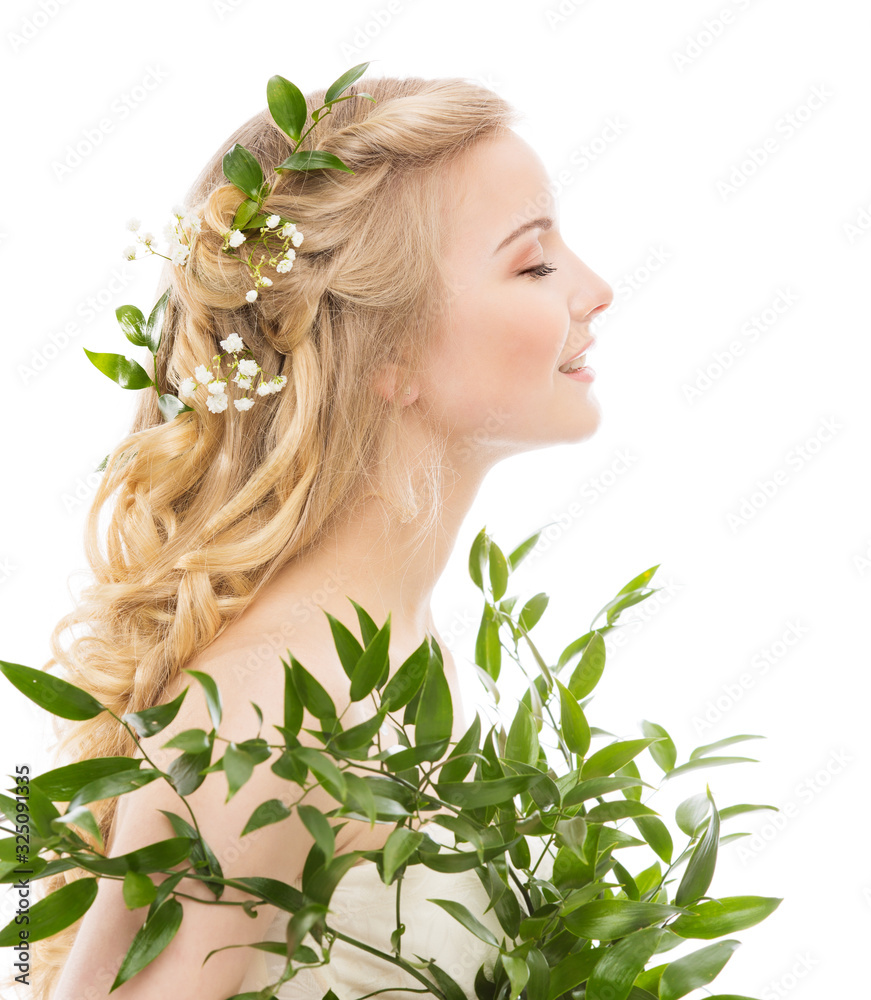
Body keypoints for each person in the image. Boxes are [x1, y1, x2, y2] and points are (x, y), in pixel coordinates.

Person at [37, 72, 613, 999]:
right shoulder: (261, 711)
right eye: (534, 264)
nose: (596, 290)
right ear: (388, 351)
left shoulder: (400, 655)